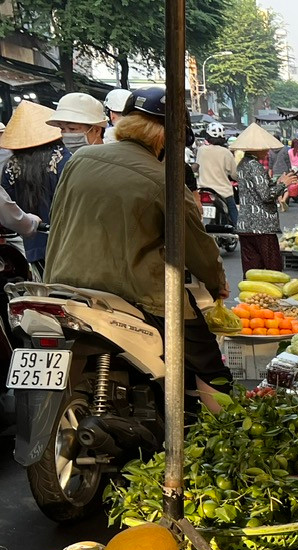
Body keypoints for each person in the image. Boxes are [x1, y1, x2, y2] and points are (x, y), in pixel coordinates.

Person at [43, 87, 231, 408]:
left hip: (61, 286)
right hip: (133, 295)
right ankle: (227, 435)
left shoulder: (81, 160)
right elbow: (198, 250)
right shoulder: (166, 180)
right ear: (168, 137)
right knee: (206, 357)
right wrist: (217, 287)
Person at [0, 102, 68, 269]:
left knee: (44, 292)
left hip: (34, 244)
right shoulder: (65, 158)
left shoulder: (11, 165)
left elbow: (8, 203)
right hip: (67, 241)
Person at [231, 123, 297, 274]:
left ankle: (251, 297)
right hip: (262, 226)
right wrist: (283, 185)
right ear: (256, 148)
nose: (268, 151)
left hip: (245, 225)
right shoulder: (255, 165)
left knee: (252, 271)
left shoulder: (242, 164)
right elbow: (266, 195)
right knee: (273, 269)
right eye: (265, 148)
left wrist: (278, 182)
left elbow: (257, 188)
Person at [196, 121, 239, 227]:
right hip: (223, 192)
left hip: (203, 190)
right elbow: (234, 174)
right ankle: (239, 232)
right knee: (234, 214)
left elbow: (197, 167)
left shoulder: (200, 150)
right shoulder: (226, 152)